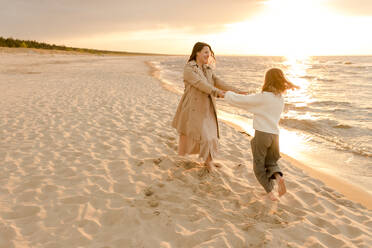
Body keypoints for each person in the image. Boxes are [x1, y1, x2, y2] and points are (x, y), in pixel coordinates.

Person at [224, 68, 299, 201]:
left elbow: (244, 101)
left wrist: (227, 94)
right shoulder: (279, 99)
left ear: (267, 80)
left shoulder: (263, 97)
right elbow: (256, 102)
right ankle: (279, 177)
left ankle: (270, 193)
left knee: (258, 165)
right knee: (271, 162)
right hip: (275, 135)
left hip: (262, 135)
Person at [172, 42, 243, 173]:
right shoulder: (189, 68)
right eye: (205, 51)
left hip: (208, 107)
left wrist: (238, 91)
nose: (208, 54)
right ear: (197, 52)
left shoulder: (208, 69)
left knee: (211, 136)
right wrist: (217, 92)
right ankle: (208, 163)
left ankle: (208, 161)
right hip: (193, 107)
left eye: (209, 52)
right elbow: (201, 84)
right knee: (202, 135)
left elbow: (219, 82)